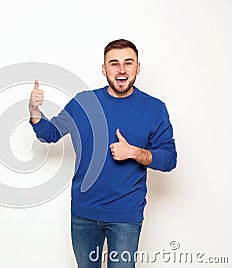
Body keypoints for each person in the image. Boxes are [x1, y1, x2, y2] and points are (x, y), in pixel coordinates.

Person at [28, 39, 177, 267]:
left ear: (138, 68)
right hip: (83, 213)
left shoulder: (154, 109)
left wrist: (134, 152)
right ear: (104, 69)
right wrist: (35, 111)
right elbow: (51, 133)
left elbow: (169, 159)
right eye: (114, 63)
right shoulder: (84, 102)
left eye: (128, 63)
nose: (121, 69)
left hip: (125, 215)